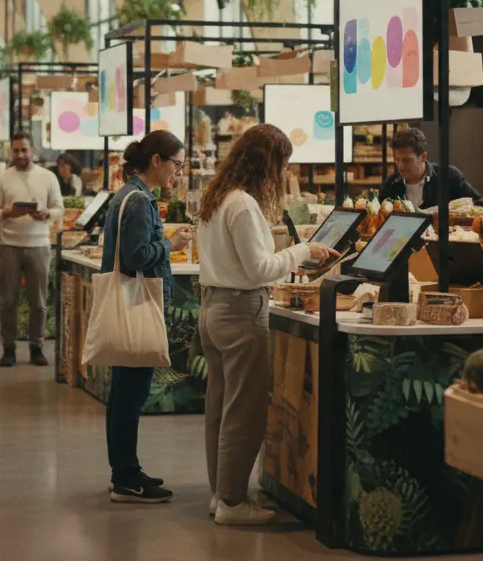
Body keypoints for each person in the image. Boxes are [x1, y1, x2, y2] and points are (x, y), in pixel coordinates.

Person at [196, 123, 333, 525]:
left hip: (214, 309)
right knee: (245, 412)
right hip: (241, 313)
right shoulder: (243, 205)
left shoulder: (217, 197)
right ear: (267, 164)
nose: (283, 174)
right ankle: (233, 503)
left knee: (219, 410)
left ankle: (221, 495)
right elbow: (259, 269)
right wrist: (303, 250)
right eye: (282, 164)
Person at [98, 130, 190, 505]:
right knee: (130, 396)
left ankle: (126, 470)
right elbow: (136, 257)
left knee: (124, 394)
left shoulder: (130, 196)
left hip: (130, 303)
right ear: (157, 161)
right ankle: (125, 478)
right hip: (137, 307)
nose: (178, 173)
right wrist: (171, 244)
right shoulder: (139, 201)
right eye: (177, 165)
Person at [0, 132, 64, 367]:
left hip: (39, 245)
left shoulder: (48, 177)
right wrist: (9, 212)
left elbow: (59, 208)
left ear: (33, 150)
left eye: (24, 150)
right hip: (9, 245)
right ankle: (8, 348)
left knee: (38, 302)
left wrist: (46, 213)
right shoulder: (2, 179)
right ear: (11, 152)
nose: (20, 155)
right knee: (7, 300)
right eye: (16, 151)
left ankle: (36, 347)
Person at [380, 126, 483, 209]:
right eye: (397, 160)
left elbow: (480, 204)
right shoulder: (389, 186)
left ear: (423, 157)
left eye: (407, 160)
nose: (401, 166)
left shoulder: (448, 177)